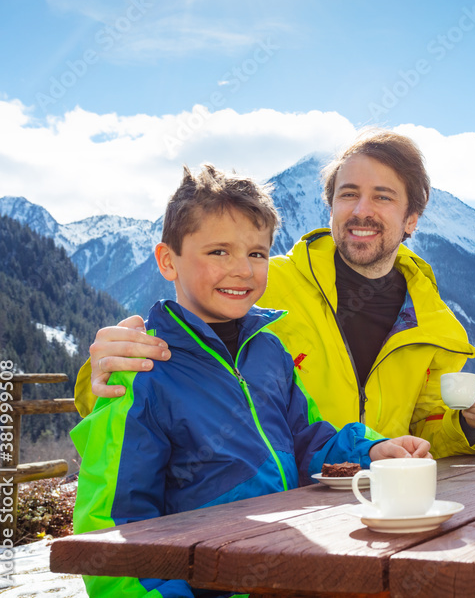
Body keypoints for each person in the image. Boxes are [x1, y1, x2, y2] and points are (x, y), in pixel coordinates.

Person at [72, 164, 429, 597]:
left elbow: (308, 440)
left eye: (256, 253)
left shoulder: (270, 352)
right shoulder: (142, 370)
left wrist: (373, 449)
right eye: (219, 252)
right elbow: (113, 526)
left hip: (290, 572)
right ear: (169, 260)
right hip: (208, 585)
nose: (242, 269)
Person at [74, 129, 475, 457]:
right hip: (270, 514)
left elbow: (427, 432)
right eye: (347, 194)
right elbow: (148, 370)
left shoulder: (434, 322)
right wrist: (101, 372)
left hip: (380, 509)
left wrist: (468, 423)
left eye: (383, 197)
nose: (360, 210)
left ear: (411, 217)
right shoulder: (253, 284)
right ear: (330, 206)